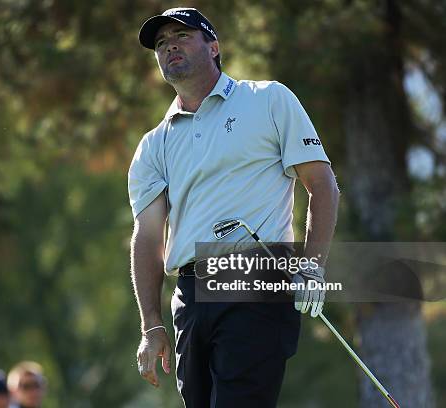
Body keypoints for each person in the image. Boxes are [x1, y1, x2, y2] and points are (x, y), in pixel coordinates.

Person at [128, 7, 339, 408]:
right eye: (160, 43)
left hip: (256, 277)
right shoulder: (153, 145)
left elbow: (322, 185)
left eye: (182, 35)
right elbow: (148, 236)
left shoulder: (269, 100)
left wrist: (312, 266)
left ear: (214, 46)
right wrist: (151, 325)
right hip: (189, 294)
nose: (169, 45)